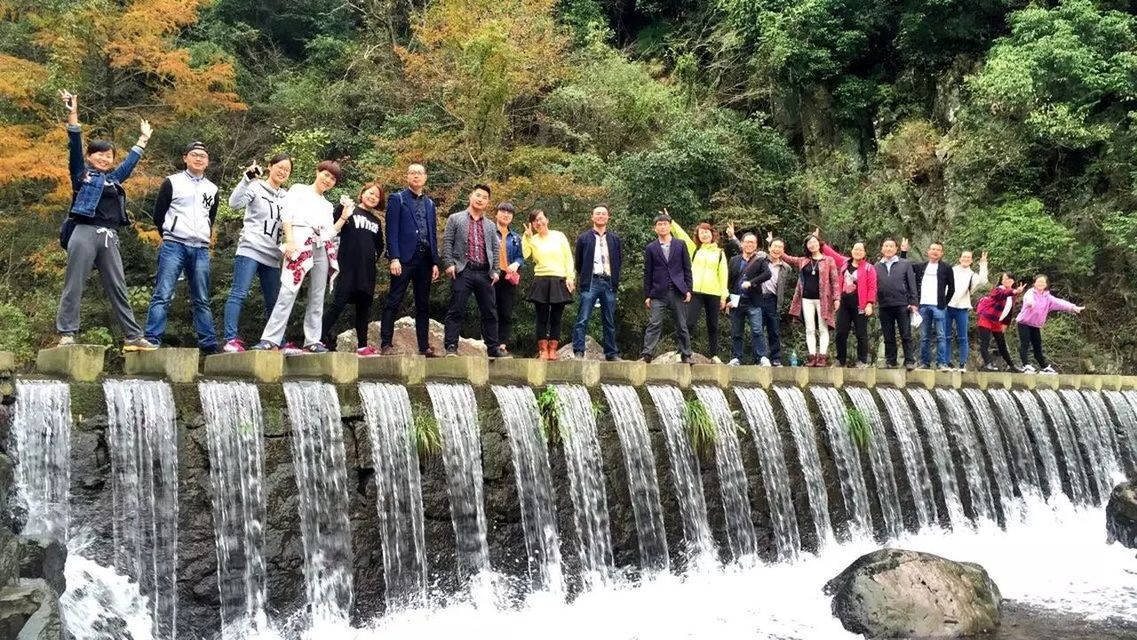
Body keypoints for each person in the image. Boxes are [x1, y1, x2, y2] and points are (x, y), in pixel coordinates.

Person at [54, 90, 156, 351]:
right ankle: (67, 333)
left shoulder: (113, 179)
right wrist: (72, 113)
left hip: (109, 235)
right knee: (75, 282)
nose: (103, 158)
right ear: (90, 156)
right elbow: (74, 144)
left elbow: (130, 163)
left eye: (108, 155)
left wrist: (143, 139)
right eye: (98, 154)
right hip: (84, 231)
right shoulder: (82, 174)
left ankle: (133, 337)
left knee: (118, 285)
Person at [252, 161, 345, 352]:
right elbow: (287, 216)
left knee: (317, 295)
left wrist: (344, 217)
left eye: (333, 179)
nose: (328, 180)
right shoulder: (298, 190)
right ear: (317, 172)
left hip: (321, 246)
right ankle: (270, 338)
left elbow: (329, 233)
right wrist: (290, 240)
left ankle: (312, 340)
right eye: (326, 175)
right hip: (299, 242)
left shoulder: (327, 205)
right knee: (288, 290)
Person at [144, 141, 220, 352]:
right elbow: (159, 214)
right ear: (185, 157)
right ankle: (151, 339)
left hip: (201, 247)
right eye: (194, 155)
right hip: (174, 244)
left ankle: (209, 344)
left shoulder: (212, 189)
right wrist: (170, 233)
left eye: (202, 156)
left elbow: (210, 218)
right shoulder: (172, 182)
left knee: (202, 297)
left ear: (207, 161)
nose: (198, 159)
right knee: (163, 293)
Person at [222, 154, 292, 352]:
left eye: (287, 170)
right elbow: (234, 203)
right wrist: (247, 178)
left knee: (274, 300)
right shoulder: (255, 186)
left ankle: (277, 341)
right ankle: (230, 339)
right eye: (279, 166)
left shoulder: (287, 197)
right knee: (239, 293)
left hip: (273, 255)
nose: (282, 172)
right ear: (270, 167)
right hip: (251, 248)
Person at [379, 164, 440, 356]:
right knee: (394, 299)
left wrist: (435, 261)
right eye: (412, 173)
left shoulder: (430, 204)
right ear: (407, 177)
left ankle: (424, 346)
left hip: (425, 258)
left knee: (423, 303)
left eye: (420, 173)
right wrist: (394, 257)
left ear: (425, 177)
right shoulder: (397, 199)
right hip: (404, 258)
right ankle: (386, 343)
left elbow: (432, 233)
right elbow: (391, 230)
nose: (416, 176)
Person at [441, 184, 507, 358]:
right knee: (456, 309)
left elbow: (495, 247)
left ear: (488, 202)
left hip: (485, 272)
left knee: (490, 311)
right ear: (470, 196)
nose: (480, 199)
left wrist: (496, 271)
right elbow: (447, 242)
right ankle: (451, 346)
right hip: (464, 270)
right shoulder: (455, 219)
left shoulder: (491, 225)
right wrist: (449, 263)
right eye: (478, 195)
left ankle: (493, 347)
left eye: (485, 197)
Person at [321, 182, 385, 355]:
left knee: (363, 308)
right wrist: (342, 206)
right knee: (338, 304)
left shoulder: (376, 221)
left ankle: (362, 346)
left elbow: (380, 246)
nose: (372, 197)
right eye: (370, 193)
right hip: (347, 267)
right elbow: (334, 223)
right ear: (362, 193)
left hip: (367, 271)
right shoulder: (350, 211)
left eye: (376, 196)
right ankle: (316, 338)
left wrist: (371, 258)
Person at [670, 213, 729, 363]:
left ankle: (714, 354)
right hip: (695, 291)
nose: (704, 235)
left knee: (713, 324)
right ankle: (681, 351)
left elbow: (723, 275)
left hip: (714, 292)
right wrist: (671, 222)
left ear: (712, 234)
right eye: (701, 233)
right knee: (689, 323)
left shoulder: (720, 253)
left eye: (706, 232)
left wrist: (724, 296)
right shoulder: (694, 249)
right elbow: (681, 235)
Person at [572, 204, 623, 361]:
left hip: (608, 282)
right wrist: (586, 277)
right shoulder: (584, 238)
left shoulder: (615, 239)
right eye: (597, 214)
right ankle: (579, 351)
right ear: (592, 217)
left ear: (608, 217)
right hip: (591, 281)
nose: (600, 216)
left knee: (609, 320)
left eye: (603, 214)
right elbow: (579, 263)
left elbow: (618, 261)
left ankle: (611, 353)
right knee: (583, 318)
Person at [641, 212, 693, 363]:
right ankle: (647, 354)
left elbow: (687, 268)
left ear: (670, 226)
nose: (662, 227)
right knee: (654, 323)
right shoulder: (651, 247)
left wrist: (688, 289)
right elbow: (648, 272)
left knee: (682, 324)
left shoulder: (680, 244)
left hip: (678, 290)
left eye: (665, 224)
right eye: (659, 225)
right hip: (658, 291)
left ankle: (686, 354)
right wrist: (647, 295)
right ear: (655, 228)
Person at [522, 210, 575, 360]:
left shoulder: (559, 236)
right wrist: (527, 238)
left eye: (540, 219)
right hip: (541, 279)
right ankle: (543, 349)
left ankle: (553, 348)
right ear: (532, 224)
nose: (538, 223)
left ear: (547, 219)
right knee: (541, 317)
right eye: (535, 221)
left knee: (556, 317)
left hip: (559, 278)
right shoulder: (532, 238)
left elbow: (568, 258)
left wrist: (570, 277)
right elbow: (525, 255)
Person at [782, 233, 840, 367]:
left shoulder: (829, 260)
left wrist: (837, 298)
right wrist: (776, 247)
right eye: (809, 243)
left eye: (814, 242)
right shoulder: (804, 260)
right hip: (806, 299)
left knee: (823, 328)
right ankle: (812, 356)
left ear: (819, 244)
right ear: (807, 246)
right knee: (809, 329)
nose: (812, 245)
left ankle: (822, 356)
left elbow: (835, 280)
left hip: (823, 299)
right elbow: (788, 258)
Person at [821, 238, 878, 368]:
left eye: (860, 250)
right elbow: (832, 254)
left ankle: (862, 360)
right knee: (841, 332)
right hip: (844, 303)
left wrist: (870, 303)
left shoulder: (869, 268)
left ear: (864, 253)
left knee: (861, 333)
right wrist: (820, 243)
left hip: (860, 304)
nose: (857, 251)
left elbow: (872, 287)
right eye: (855, 249)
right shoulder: (845, 263)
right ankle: (840, 360)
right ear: (852, 251)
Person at [902, 239, 956, 370]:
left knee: (941, 336)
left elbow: (952, 288)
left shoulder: (947, 268)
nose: (935, 252)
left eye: (938, 250)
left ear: (942, 253)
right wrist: (903, 252)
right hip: (923, 305)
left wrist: (944, 303)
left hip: (939, 306)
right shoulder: (921, 266)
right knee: (924, 336)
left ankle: (941, 363)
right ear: (928, 251)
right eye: (933, 249)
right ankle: (925, 362)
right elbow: (904, 266)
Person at [1015, 275, 1084, 374]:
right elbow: (1028, 298)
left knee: (1037, 346)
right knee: (1025, 344)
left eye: (1043, 282)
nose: (1040, 284)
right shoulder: (1030, 292)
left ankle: (1044, 367)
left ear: (1046, 284)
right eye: (1038, 282)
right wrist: (1031, 303)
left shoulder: (1048, 297)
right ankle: (1025, 365)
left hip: (1035, 325)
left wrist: (1074, 307)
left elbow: (1060, 303)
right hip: (1024, 323)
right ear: (1034, 283)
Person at [726, 232, 772, 365]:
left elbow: (767, 274)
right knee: (736, 332)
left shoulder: (760, 260)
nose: (750, 244)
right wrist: (727, 298)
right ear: (741, 243)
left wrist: (752, 282)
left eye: (753, 242)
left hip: (754, 301)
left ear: (756, 245)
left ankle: (761, 357)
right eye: (747, 242)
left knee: (757, 330)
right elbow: (728, 280)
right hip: (736, 300)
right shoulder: (734, 260)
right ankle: (737, 357)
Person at [875, 238, 918, 370]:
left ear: (896, 249)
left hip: (902, 304)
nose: (888, 248)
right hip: (884, 305)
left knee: (906, 334)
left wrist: (913, 302)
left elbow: (912, 284)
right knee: (888, 335)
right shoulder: (876, 266)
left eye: (891, 246)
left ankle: (909, 360)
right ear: (882, 249)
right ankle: (891, 360)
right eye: (886, 246)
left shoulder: (904, 264)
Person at [945, 249, 990, 371]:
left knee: (962, 337)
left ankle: (962, 363)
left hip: (962, 307)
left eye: (968, 258)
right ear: (959, 258)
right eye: (963, 257)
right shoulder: (951, 270)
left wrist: (983, 264)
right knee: (946, 336)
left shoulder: (972, 275)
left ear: (971, 260)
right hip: (947, 306)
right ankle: (946, 362)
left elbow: (983, 281)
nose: (965, 259)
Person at [975, 273, 1024, 372]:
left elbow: (1009, 311)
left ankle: (1011, 366)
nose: (1007, 281)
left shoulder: (1012, 296)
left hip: (997, 321)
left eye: (1009, 279)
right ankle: (988, 364)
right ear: (1001, 281)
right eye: (1004, 279)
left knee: (1001, 343)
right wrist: (1015, 291)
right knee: (985, 342)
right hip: (986, 317)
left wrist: (1005, 324)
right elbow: (1003, 294)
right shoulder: (998, 290)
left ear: (1013, 281)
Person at [493, 202, 525, 355]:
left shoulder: (516, 238)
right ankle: (489, 341)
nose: (506, 214)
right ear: (496, 214)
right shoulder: (489, 232)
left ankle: (502, 344)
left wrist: (517, 263)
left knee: (506, 311)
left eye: (509, 213)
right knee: (489, 309)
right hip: (491, 275)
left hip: (508, 277)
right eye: (503, 211)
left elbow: (521, 257)